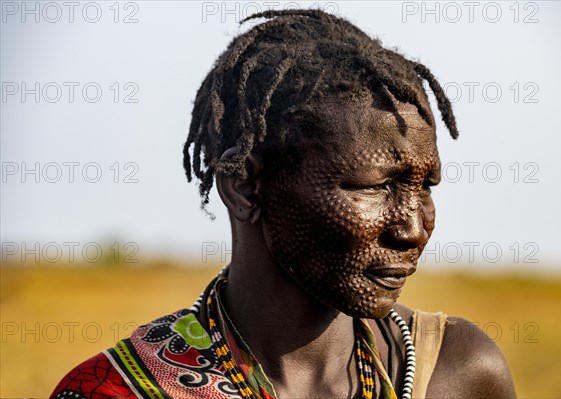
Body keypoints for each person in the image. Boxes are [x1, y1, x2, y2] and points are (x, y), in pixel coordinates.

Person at [51, 9, 516, 399]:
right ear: (244, 187)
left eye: (426, 185)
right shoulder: (115, 390)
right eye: (375, 187)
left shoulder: (457, 373)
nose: (413, 229)